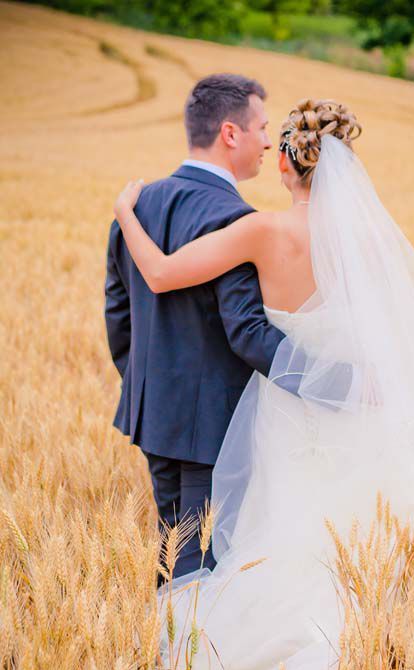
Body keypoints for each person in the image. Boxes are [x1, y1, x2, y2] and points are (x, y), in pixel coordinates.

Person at [113, 97, 414, 670]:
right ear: (342, 170)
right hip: (354, 417)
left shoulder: (263, 233)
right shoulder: (365, 244)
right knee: (341, 548)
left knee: (274, 544)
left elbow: (159, 273)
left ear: (282, 162)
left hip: (283, 416)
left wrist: (126, 210)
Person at [104, 74, 288, 585]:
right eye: (262, 127)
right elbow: (247, 333)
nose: (268, 141)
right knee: (205, 564)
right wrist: (326, 379)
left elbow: (119, 314)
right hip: (216, 425)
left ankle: (165, 656)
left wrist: (148, 383)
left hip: (153, 412)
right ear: (231, 133)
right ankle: (188, 661)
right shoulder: (235, 218)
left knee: (174, 549)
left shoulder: (134, 206)